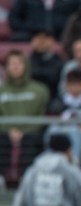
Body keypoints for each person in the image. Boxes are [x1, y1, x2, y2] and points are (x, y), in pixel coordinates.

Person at [0, 50, 50, 184]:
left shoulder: (40, 90)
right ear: (6, 67)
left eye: (19, 63)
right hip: (4, 132)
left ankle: (28, 179)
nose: (15, 67)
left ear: (26, 66)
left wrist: (23, 131)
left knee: (31, 140)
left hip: (31, 133)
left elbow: (41, 116)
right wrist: (9, 130)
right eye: (12, 64)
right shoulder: (1, 90)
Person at [46, 68, 81, 165]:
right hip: (60, 129)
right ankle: (50, 162)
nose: (75, 87)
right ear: (66, 85)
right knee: (52, 131)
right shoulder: (58, 102)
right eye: (72, 84)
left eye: (78, 84)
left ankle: (74, 163)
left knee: (75, 131)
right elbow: (50, 118)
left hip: (80, 133)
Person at [8, 0, 80, 42]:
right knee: (17, 39)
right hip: (31, 35)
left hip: (61, 35)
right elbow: (14, 19)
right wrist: (31, 29)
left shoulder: (71, 2)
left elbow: (80, 17)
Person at [29, 30, 64, 102]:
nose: (41, 41)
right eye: (38, 38)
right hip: (31, 97)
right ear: (32, 41)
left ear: (52, 41)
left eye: (45, 38)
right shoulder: (27, 62)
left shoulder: (59, 62)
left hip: (53, 98)